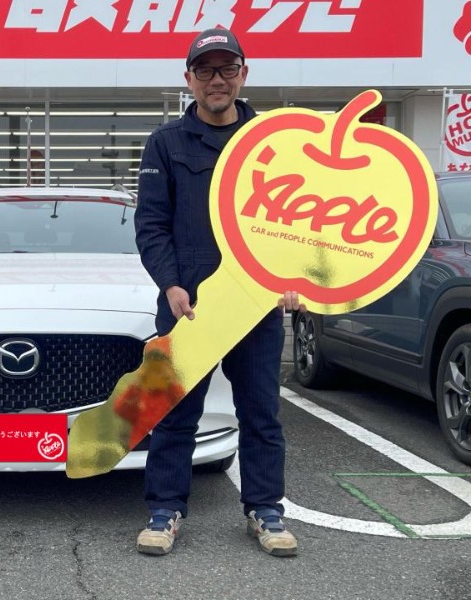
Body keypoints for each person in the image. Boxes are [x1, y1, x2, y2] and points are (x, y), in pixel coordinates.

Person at [133, 27, 303, 557]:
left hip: (255, 303)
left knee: (261, 413)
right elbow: (151, 225)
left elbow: (298, 222)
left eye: (227, 69)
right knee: (174, 411)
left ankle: (265, 510)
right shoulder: (165, 144)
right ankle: (164, 510)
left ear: (243, 74)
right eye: (205, 70)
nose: (217, 80)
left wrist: (294, 278)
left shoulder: (273, 143)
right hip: (189, 305)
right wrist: (171, 284)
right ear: (188, 78)